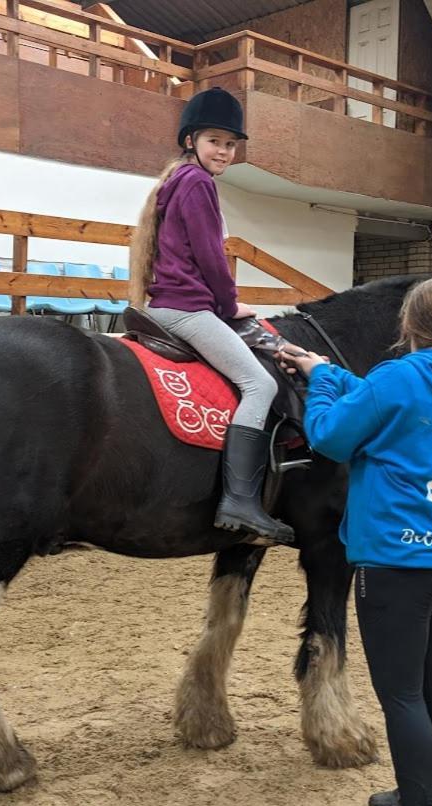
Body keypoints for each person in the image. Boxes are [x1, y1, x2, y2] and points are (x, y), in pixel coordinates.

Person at [280, 276, 432, 806]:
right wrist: (326, 369)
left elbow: (331, 434)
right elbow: (389, 404)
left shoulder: (397, 377)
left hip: (397, 556)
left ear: (408, 323)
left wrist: (319, 385)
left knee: (400, 695)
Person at [129, 87, 293, 544]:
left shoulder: (175, 180)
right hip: (186, 308)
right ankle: (240, 501)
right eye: (215, 141)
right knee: (261, 384)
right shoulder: (199, 183)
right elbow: (210, 256)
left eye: (230, 143)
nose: (223, 150)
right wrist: (227, 303)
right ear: (191, 141)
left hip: (163, 305)